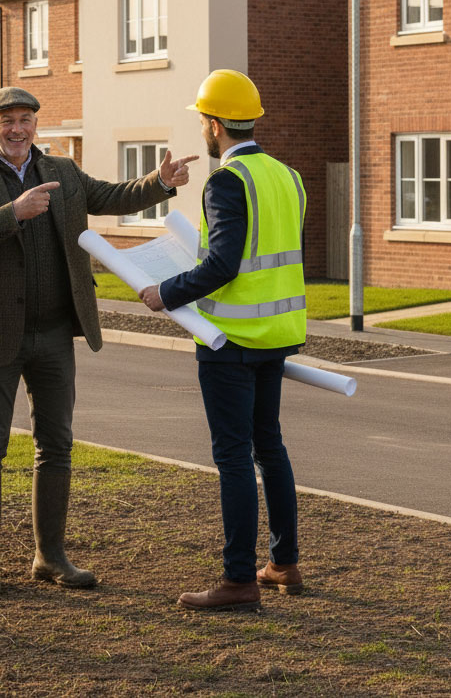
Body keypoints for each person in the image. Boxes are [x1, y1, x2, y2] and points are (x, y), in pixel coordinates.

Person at [0, 87, 198, 596]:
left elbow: (111, 196)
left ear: (36, 125)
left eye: (26, 120)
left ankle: (50, 555)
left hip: (56, 331)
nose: (17, 129)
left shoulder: (62, 171)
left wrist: (160, 182)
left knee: (56, 445)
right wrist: (11, 213)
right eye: (7, 121)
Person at [138, 69, 306, 611]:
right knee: (270, 449)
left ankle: (238, 582)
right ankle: (283, 563)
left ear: (214, 125)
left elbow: (225, 264)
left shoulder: (227, 181)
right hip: (277, 333)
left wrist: (167, 292)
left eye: (203, 124)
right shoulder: (288, 176)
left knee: (234, 458)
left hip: (230, 339)